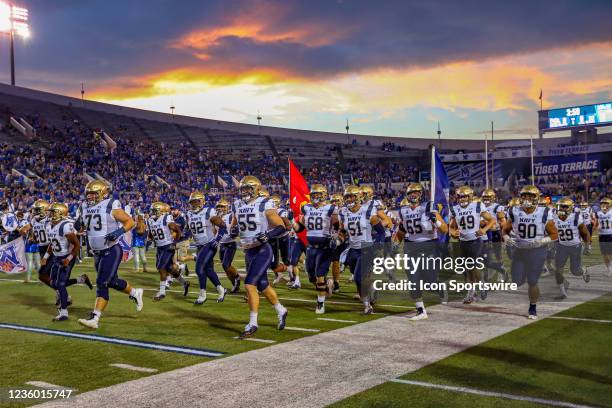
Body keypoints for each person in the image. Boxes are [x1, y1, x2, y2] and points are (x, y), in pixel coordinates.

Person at [77, 180, 143, 329]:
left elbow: (130, 222)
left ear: (103, 193)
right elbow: (85, 225)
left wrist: (119, 232)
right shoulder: (85, 206)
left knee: (102, 282)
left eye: (94, 193)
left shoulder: (110, 204)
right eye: (89, 193)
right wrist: (78, 223)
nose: (91, 196)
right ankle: (135, 292)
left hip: (112, 250)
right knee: (112, 281)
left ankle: (95, 318)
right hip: (97, 253)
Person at [230, 176, 288, 339]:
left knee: (249, 284)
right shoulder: (237, 204)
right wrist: (233, 231)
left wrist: (267, 235)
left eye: (248, 188)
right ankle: (281, 309)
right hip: (248, 251)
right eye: (243, 189)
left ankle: (253, 323)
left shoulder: (264, 203)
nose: (245, 192)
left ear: (256, 189)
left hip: (262, 249)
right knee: (262, 285)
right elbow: (234, 226)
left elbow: (280, 226)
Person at [502, 185, 558, 319]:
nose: (526, 199)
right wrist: (506, 237)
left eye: (530, 196)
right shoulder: (514, 211)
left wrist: (541, 241)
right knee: (516, 281)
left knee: (533, 281)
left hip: (537, 251)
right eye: (524, 196)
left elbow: (554, 235)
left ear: (536, 198)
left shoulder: (544, 212)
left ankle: (532, 307)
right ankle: (528, 274)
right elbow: (505, 229)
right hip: (520, 250)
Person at [396, 183, 448, 320]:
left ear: (421, 194)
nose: (413, 195)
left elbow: (444, 229)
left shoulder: (428, 207)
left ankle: (439, 288)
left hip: (429, 245)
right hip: (411, 246)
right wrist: (395, 244)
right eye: (411, 193)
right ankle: (420, 310)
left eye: (416, 192)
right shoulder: (403, 210)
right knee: (413, 279)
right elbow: (402, 230)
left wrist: (435, 221)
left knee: (429, 281)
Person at [338, 185, 386, 314]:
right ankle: (371, 290)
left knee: (359, 277)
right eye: (347, 197)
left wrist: (379, 244)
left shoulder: (368, 211)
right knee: (357, 278)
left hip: (366, 248)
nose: (349, 199)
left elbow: (381, 232)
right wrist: (339, 239)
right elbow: (342, 231)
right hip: (353, 250)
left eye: (352, 196)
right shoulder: (344, 213)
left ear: (358, 197)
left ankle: (367, 305)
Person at [293, 184, 338, 314]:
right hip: (311, 248)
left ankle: (320, 303)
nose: (315, 197)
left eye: (318, 194)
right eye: (313, 195)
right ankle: (327, 286)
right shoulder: (306, 208)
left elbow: (337, 226)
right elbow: (299, 228)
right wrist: (291, 221)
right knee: (312, 277)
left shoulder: (331, 208)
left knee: (319, 275)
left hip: (325, 247)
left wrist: (335, 238)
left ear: (324, 195)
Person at [449, 186, 495, 303]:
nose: (462, 199)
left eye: (464, 196)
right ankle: (474, 289)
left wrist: (484, 230)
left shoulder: (477, 205)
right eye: (460, 196)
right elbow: (451, 226)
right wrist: (453, 232)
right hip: (463, 241)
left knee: (473, 266)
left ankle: (476, 288)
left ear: (470, 196)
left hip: (475, 240)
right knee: (468, 269)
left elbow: (492, 220)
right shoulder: (455, 209)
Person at [185, 191, 227, 305]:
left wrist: (217, 240)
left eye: (196, 201)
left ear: (202, 201)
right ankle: (221, 289)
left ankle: (202, 295)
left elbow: (223, 226)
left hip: (209, 244)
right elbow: (190, 230)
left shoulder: (208, 211)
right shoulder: (189, 214)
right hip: (199, 245)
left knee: (199, 269)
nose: (194, 204)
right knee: (208, 270)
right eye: (192, 202)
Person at [43, 203, 81, 321]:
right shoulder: (49, 226)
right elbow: (52, 243)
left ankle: (64, 312)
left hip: (66, 257)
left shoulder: (65, 225)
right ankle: (81, 280)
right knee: (54, 283)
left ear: (60, 213)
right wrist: (46, 256)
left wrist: (68, 259)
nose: (50, 214)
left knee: (60, 284)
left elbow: (77, 245)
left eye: (53, 212)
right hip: (56, 257)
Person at [147, 202, 190, 301]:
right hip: (159, 247)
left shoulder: (166, 218)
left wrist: (174, 243)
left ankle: (162, 292)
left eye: (155, 210)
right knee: (170, 268)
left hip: (167, 246)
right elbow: (151, 233)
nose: (152, 212)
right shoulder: (150, 220)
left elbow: (178, 230)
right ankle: (184, 282)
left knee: (161, 268)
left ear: (161, 211)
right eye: (152, 210)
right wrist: (150, 240)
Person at [553, 197, 591, 299]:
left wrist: (587, 245)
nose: (561, 209)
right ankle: (562, 292)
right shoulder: (554, 217)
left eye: (564, 207)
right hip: (562, 246)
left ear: (570, 208)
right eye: (560, 206)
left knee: (575, 271)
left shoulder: (576, 217)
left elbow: (585, 232)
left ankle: (583, 270)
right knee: (558, 270)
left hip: (575, 247)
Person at [216, 198, 240, 293]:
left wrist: (235, 231)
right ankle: (234, 283)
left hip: (230, 243)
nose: (220, 208)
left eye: (222, 206)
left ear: (226, 207)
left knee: (226, 265)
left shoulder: (231, 216)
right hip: (222, 244)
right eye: (219, 206)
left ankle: (237, 277)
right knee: (225, 267)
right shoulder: (216, 218)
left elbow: (236, 226)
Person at [593, 197, 612, 276]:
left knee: (610, 254)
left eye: (605, 204)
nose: (603, 205)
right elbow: (595, 224)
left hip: (610, 234)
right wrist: (596, 227)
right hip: (602, 235)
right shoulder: (598, 213)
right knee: (604, 254)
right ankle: (609, 269)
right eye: (602, 204)